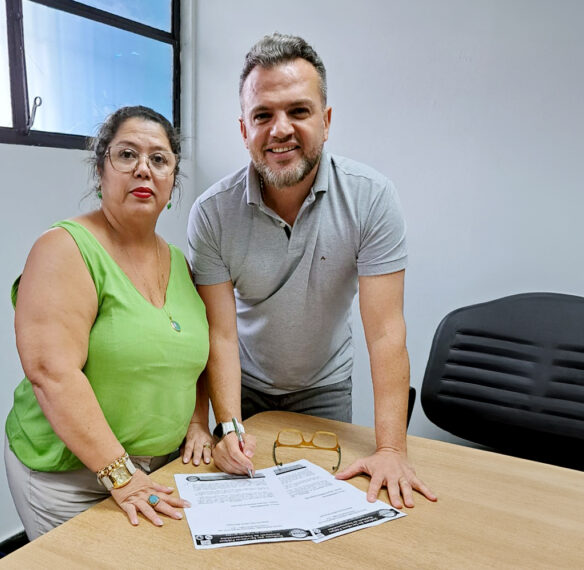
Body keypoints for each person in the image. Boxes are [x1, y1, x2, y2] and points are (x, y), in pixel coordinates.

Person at [187, 34, 437, 509]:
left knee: (327, 509)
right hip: (242, 385)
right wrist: (227, 426)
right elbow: (219, 334)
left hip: (325, 386)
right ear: (244, 129)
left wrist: (391, 449)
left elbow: (385, 332)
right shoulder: (212, 212)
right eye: (263, 115)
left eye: (298, 111)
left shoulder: (371, 198)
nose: (280, 129)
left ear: (326, 121)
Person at [4, 105, 212, 539]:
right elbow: (51, 374)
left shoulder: (178, 262)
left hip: (156, 471)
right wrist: (122, 476)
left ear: (172, 182)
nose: (143, 169)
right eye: (127, 154)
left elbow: (194, 358)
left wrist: (197, 423)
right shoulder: (64, 248)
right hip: (71, 477)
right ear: (101, 171)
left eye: (159, 159)